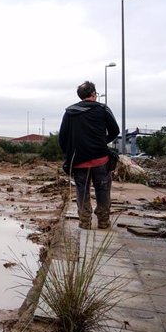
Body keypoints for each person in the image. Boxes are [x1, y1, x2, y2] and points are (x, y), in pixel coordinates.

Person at [59, 81, 120, 230]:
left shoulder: (70, 112)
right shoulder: (103, 109)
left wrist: (70, 153)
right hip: (101, 159)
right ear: (93, 94)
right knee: (103, 189)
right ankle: (104, 221)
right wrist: (102, 142)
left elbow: (62, 137)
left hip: (79, 161)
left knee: (82, 190)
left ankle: (84, 221)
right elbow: (115, 131)